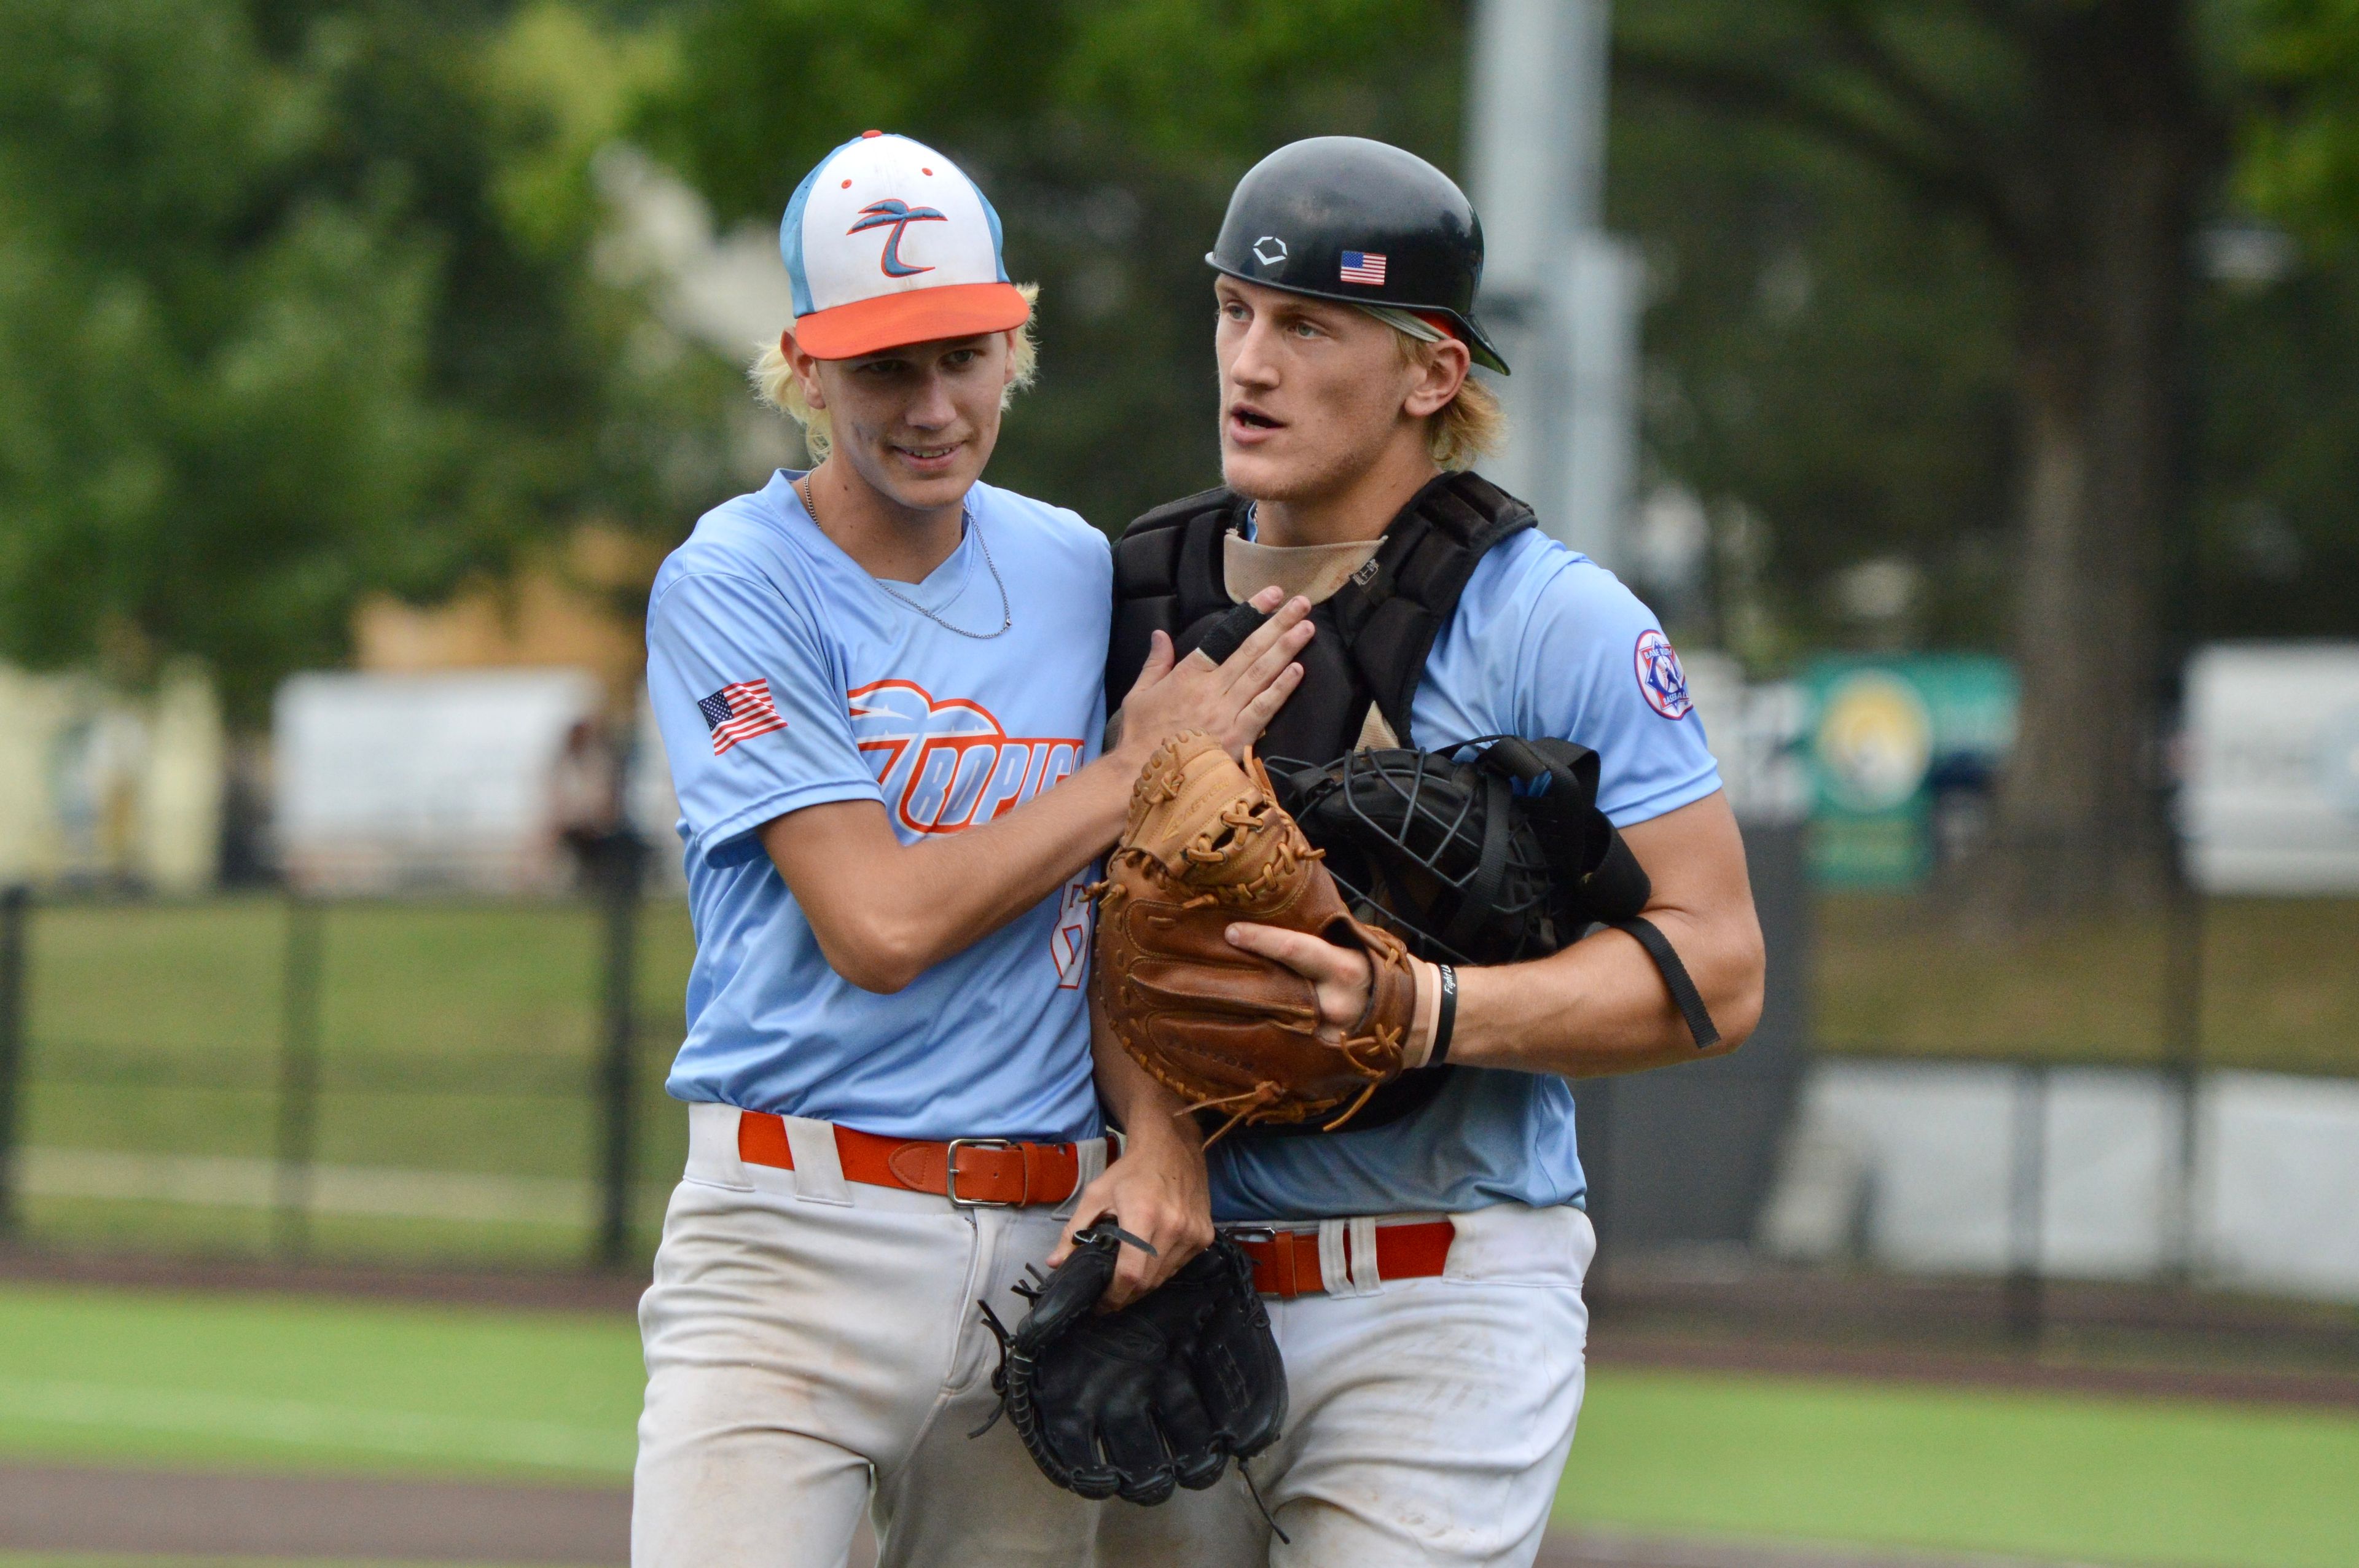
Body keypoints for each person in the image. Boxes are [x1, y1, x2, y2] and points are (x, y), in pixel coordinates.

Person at [631, 129, 1315, 1568]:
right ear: (805, 369)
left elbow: (1118, 911)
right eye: (886, 366)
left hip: (1038, 1242)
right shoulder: (735, 581)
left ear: (1015, 341)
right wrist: (1136, 770)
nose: (933, 403)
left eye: (964, 353)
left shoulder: (1076, 566)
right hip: (793, 1231)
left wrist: (1162, 1137)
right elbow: (877, 925)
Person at [1093, 136, 1769, 1568]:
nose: (1252, 362)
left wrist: (1425, 1009)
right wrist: (1151, 1139)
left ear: (1433, 373)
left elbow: (1721, 960)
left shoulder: (1556, 620)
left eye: (1309, 325)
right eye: (1234, 312)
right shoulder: (1133, 594)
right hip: (1182, 1285)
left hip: (1442, 1281)